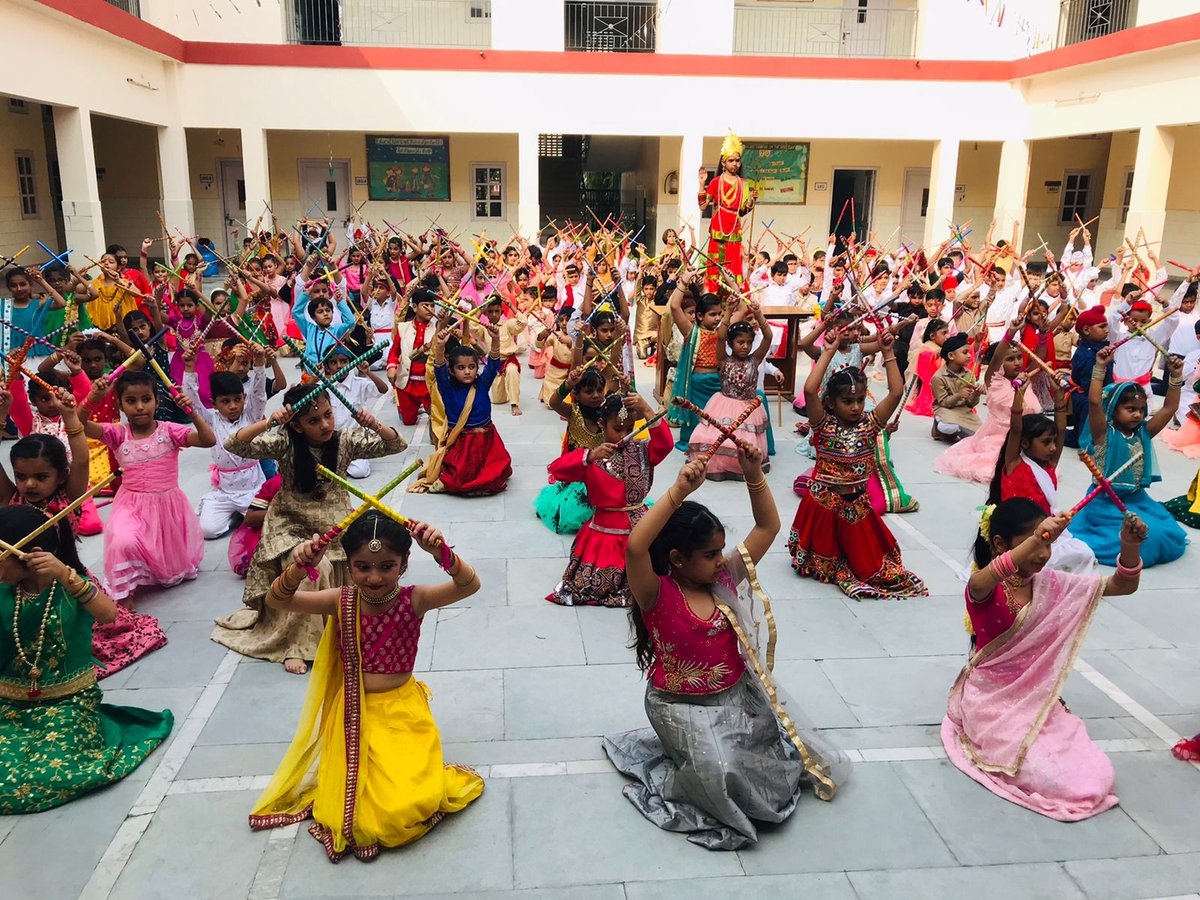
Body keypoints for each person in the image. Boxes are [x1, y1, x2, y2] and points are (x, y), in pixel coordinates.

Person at [603, 449, 846, 849]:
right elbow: (634, 548)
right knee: (720, 767)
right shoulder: (655, 593)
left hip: (735, 698)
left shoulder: (726, 580)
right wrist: (678, 490)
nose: (721, 560)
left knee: (770, 759)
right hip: (677, 705)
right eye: (710, 554)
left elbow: (768, 527)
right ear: (677, 559)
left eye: (721, 551)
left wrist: (754, 475)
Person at [247, 513, 484, 861]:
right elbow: (278, 601)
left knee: (404, 806)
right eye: (362, 567)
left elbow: (469, 586)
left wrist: (440, 552)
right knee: (355, 815)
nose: (374, 577)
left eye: (386, 566)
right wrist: (302, 566)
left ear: (404, 563)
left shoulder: (414, 600)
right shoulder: (340, 600)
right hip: (352, 716)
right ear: (350, 565)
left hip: (402, 715)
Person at [942, 498, 1147, 821]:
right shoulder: (984, 587)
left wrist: (1129, 546)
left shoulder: (1051, 585)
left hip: (1037, 701)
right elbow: (982, 581)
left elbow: (1122, 586)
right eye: (1036, 543)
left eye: (1049, 544)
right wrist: (1040, 538)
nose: (1043, 554)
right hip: (991, 703)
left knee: (1094, 773)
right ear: (999, 544)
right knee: (1054, 777)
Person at [212, 385, 406, 674]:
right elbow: (234, 445)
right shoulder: (284, 442)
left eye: (328, 415)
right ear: (298, 426)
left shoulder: (345, 441)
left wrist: (373, 424)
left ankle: (334, 634)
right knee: (314, 567)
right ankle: (297, 644)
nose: (325, 424)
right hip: (291, 524)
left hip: (335, 524)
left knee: (360, 567)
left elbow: (396, 445)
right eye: (314, 421)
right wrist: (270, 422)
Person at [0, 504, 173, 814]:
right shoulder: (5, 590)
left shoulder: (69, 583)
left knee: (50, 773)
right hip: (9, 704)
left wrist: (67, 575)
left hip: (67, 703)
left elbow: (109, 616)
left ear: (32, 555)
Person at [0, 393, 166, 679]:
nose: (29, 484)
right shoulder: (10, 497)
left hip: (64, 585)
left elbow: (81, 457)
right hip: (15, 587)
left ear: (61, 475)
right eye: (21, 476)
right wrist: (2, 416)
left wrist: (69, 416)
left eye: (41, 477)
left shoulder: (70, 497)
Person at [787, 332, 926, 599]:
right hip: (824, 506)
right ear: (830, 402)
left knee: (872, 567)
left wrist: (888, 353)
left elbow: (896, 392)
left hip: (856, 505)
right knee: (825, 564)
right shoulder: (823, 424)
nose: (855, 407)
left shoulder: (870, 423)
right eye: (847, 401)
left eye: (860, 400)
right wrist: (828, 351)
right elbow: (808, 391)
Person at [81, 370, 215, 602]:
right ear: (120, 405)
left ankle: (150, 572)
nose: (140, 407)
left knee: (162, 554)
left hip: (167, 505)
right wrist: (92, 398)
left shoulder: (169, 431)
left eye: (146, 399)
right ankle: (125, 590)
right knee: (124, 540)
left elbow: (208, 440)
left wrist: (192, 412)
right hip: (131, 505)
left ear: (157, 401)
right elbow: (80, 424)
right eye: (131, 401)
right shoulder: (118, 434)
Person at [546, 393, 672, 607]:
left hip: (640, 526)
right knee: (593, 584)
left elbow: (666, 445)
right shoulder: (592, 457)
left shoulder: (642, 451)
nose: (624, 435)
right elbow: (557, 469)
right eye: (617, 429)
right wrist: (590, 456)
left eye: (629, 428)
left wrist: (647, 410)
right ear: (602, 424)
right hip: (604, 530)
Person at [1074, 348, 1187, 566]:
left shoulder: (1143, 432)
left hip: (1137, 499)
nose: (1137, 414)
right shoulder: (1103, 434)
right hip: (1106, 503)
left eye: (1141, 409)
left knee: (1168, 531)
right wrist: (1100, 367)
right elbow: (1095, 403)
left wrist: (1175, 376)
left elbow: (1170, 407)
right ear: (1114, 410)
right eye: (1130, 409)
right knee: (1146, 538)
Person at [415, 324, 512, 495]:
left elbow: (493, 364)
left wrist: (495, 340)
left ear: (477, 368)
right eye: (461, 368)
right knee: (459, 479)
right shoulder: (447, 388)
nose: (467, 372)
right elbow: (438, 369)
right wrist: (440, 347)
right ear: (451, 371)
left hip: (487, 439)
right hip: (462, 442)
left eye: (472, 367)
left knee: (499, 472)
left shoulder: (482, 383)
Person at [181, 350, 269, 539]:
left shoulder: (251, 415)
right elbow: (193, 404)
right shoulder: (210, 420)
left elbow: (259, 394)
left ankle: (245, 515)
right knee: (208, 531)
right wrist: (189, 368)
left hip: (253, 487)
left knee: (267, 523)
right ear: (214, 403)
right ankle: (235, 516)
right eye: (225, 401)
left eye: (237, 399)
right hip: (225, 491)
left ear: (244, 398)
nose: (233, 406)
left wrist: (260, 361)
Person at [934, 339, 1040, 484]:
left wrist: (1044, 333)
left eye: (1019, 357)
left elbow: (1039, 359)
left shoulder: (1025, 378)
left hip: (1022, 433)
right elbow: (996, 358)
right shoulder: (994, 381)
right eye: (1010, 359)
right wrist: (1010, 334)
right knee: (996, 465)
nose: (1017, 363)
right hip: (997, 435)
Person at [686, 302, 771, 480]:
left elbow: (768, 338)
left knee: (745, 443)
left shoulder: (755, 360)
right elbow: (721, 336)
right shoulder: (723, 360)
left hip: (748, 407)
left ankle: (739, 467)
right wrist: (730, 311)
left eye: (749, 342)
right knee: (713, 437)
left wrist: (759, 314)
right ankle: (719, 466)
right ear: (731, 343)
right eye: (740, 342)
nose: (745, 346)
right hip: (723, 404)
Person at [534, 367, 607, 534]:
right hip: (577, 477)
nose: (596, 395)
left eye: (599, 390)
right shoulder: (572, 411)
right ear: (577, 393)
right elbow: (554, 403)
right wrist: (567, 384)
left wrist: (628, 389)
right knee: (577, 510)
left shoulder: (608, 412)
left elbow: (632, 416)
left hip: (603, 475)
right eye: (589, 391)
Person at [667, 274, 724, 450]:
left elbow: (741, 310)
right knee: (694, 424)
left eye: (720, 314)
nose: (717, 318)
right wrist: (683, 281)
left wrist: (730, 283)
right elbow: (675, 306)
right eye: (713, 314)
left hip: (716, 383)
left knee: (715, 422)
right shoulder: (691, 331)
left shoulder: (721, 332)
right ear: (699, 315)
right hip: (695, 384)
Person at [696, 131, 757, 292]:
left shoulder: (743, 183)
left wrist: (752, 200)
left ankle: (732, 298)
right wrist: (702, 184)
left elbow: (743, 210)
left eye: (737, 160)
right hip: (718, 228)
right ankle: (713, 299)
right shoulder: (716, 182)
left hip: (734, 230)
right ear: (724, 162)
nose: (735, 164)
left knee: (733, 267)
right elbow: (703, 206)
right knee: (715, 266)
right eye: (731, 160)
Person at [322, 348, 390, 479]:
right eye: (333, 362)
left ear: (351, 363)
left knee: (360, 472)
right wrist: (314, 378)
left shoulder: (360, 383)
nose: (339, 366)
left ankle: (348, 462)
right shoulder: (323, 387)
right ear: (327, 367)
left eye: (344, 361)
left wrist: (368, 372)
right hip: (332, 439)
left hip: (355, 438)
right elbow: (303, 394)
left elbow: (383, 389)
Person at [386, 287, 435, 426]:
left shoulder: (437, 328)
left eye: (432, 305)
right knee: (408, 422)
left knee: (438, 421)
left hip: (429, 384)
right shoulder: (403, 328)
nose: (430, 309)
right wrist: (391, 367)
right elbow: (394, 352)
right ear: (414, 307)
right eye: (425, 305)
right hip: (406, 383)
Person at [1066, 306, 1111, 449]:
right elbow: (1088, 386)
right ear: (1086, 330)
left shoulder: (1098, 348)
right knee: (1090, 407)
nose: (1107, 330)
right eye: (1102, 327)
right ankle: (1086, 444)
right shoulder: (1087, 354)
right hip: (1084, 395)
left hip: (1096, 392)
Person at [929, 333, 983, 444]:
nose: (969, 356)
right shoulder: (938, 377)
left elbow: (970, 404)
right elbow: (943, 403)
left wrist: (977, 394)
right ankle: (939, 426)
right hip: (945, 409)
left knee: (981, 433)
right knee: (948, 427)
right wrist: (959, 395)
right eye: (965, 352)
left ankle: (959, 431)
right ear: (951, 356)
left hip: (964, 411)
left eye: (969, 352)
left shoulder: (969, 374)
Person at [228, 474, 281, 577]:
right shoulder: (275, 483)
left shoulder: (320, 482)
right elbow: (250, 518)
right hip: (275, 536)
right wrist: (282, 510)